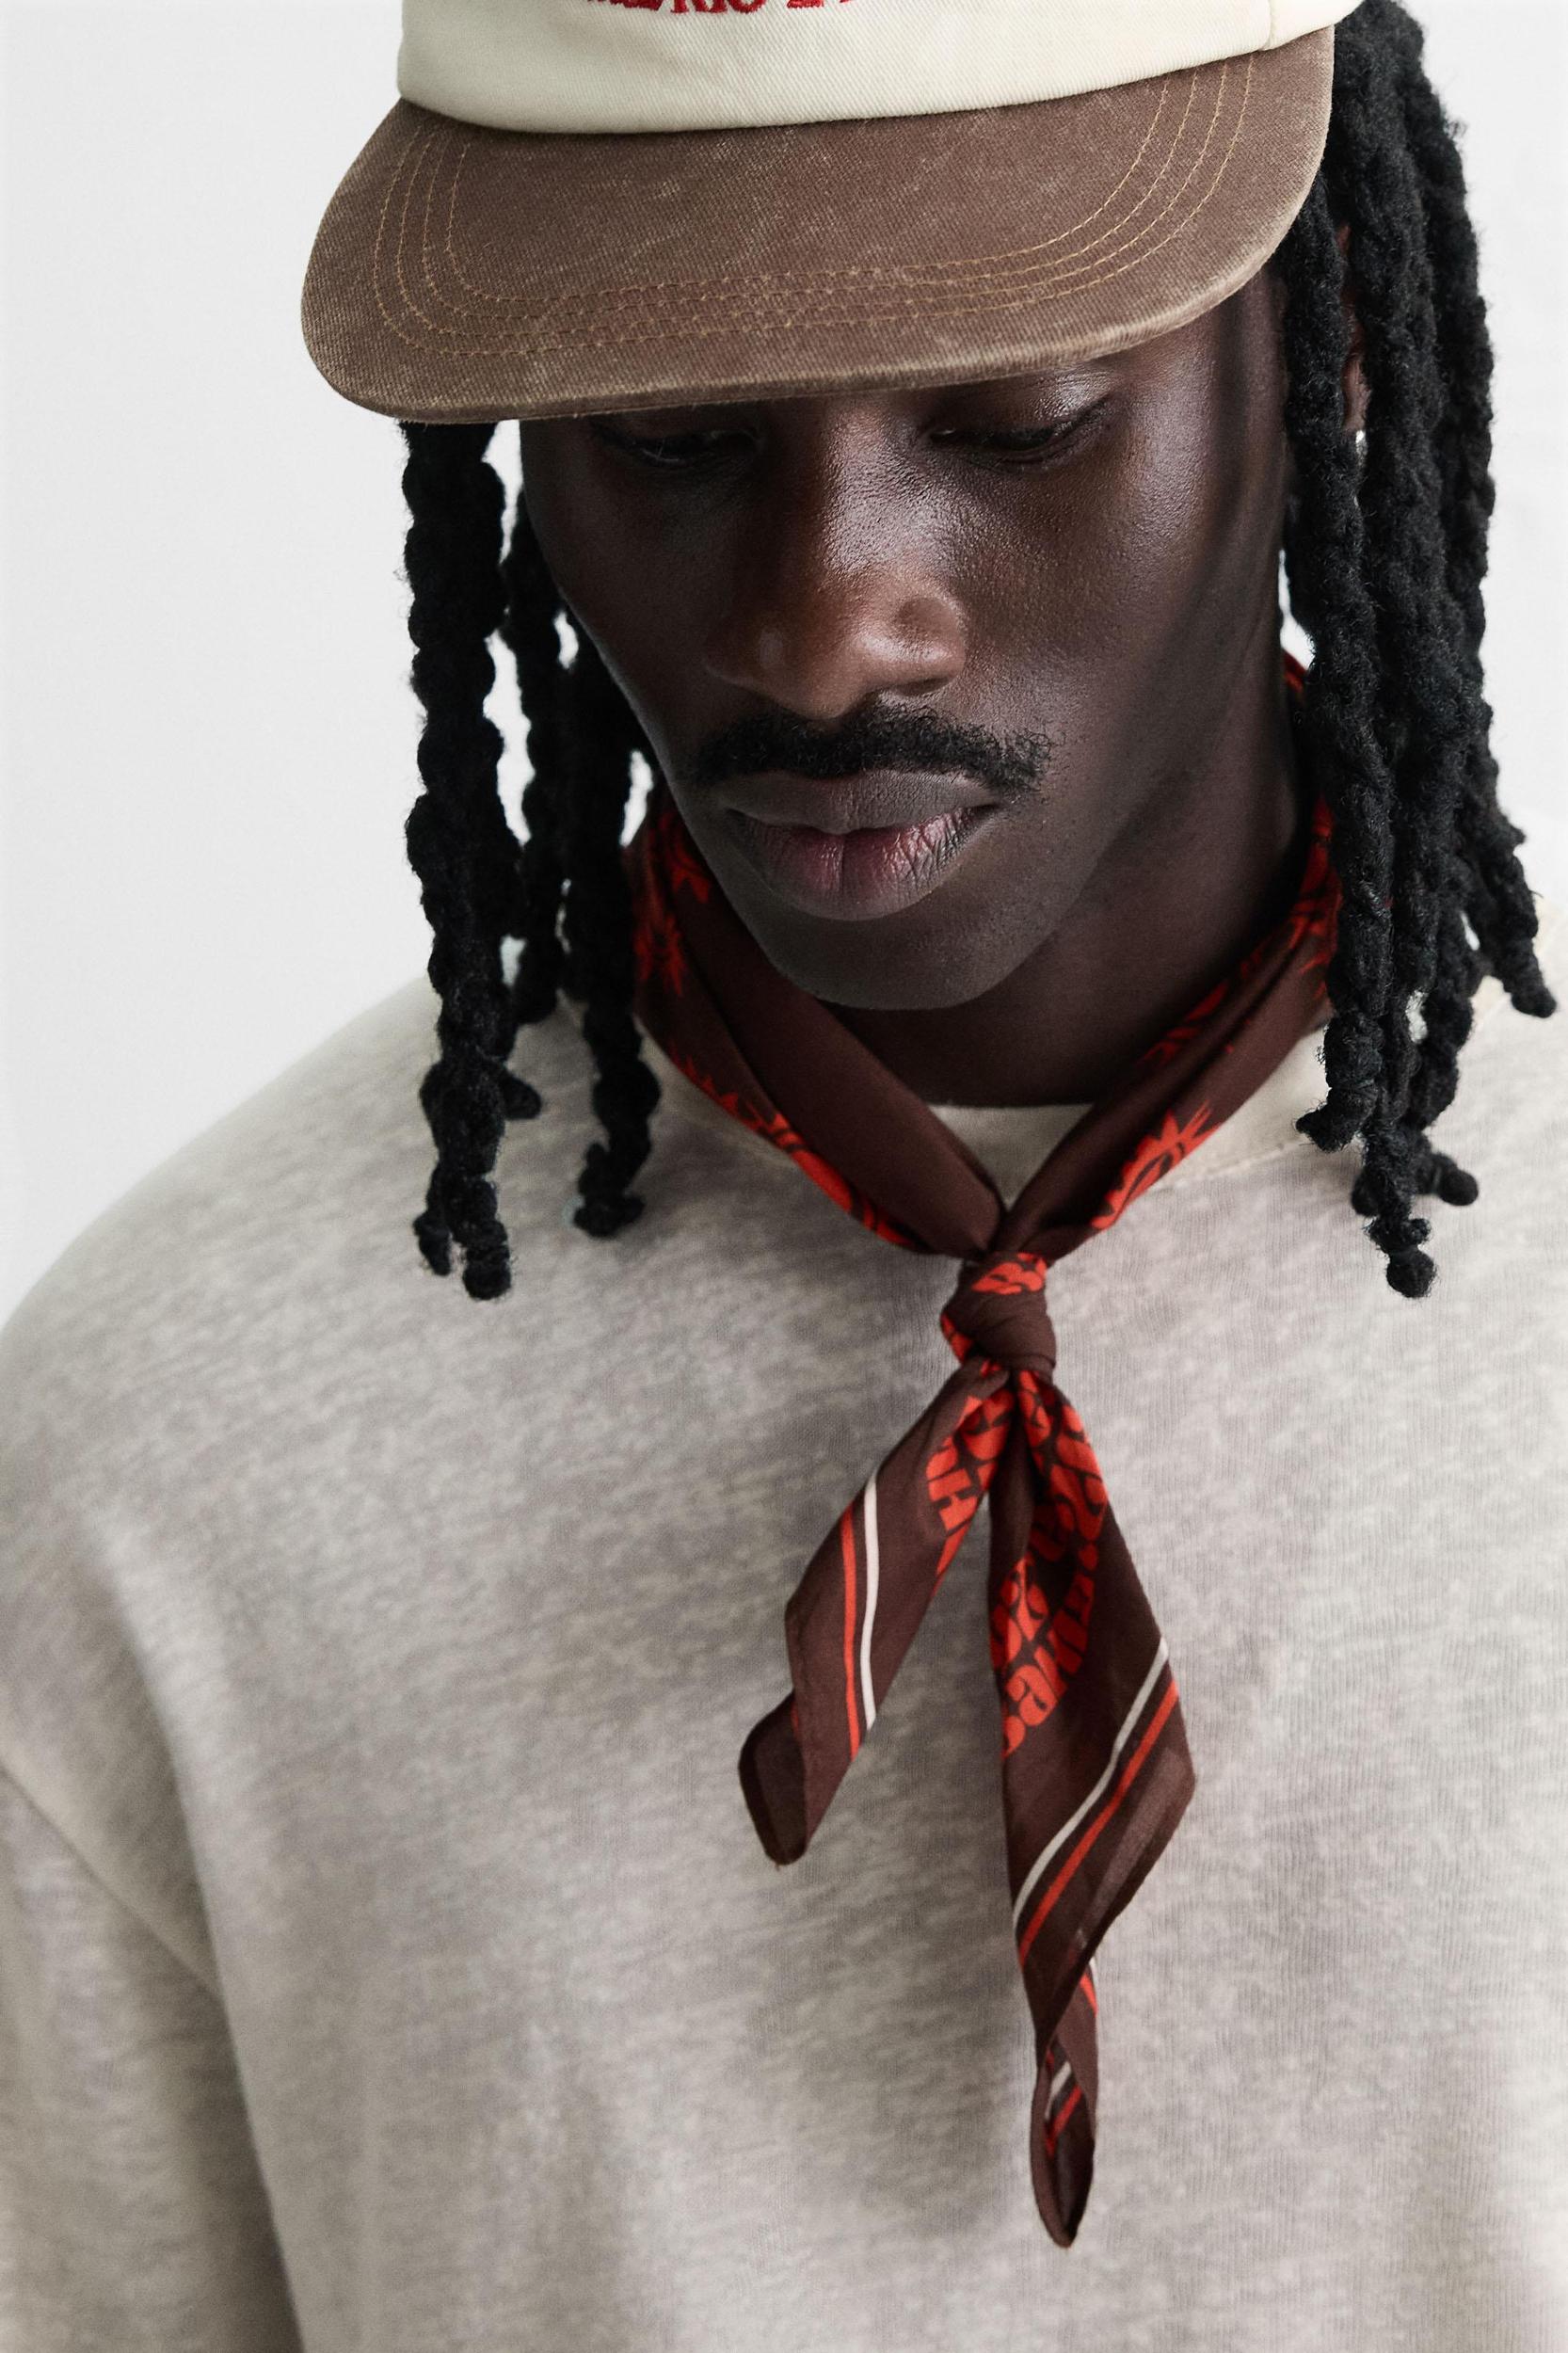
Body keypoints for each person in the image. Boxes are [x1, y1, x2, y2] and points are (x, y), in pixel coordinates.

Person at [1, 0, 1563, 2344]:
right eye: (671, 434)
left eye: (1013, 415)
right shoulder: (157, 1466)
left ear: (1324, 337)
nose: (830, 629)